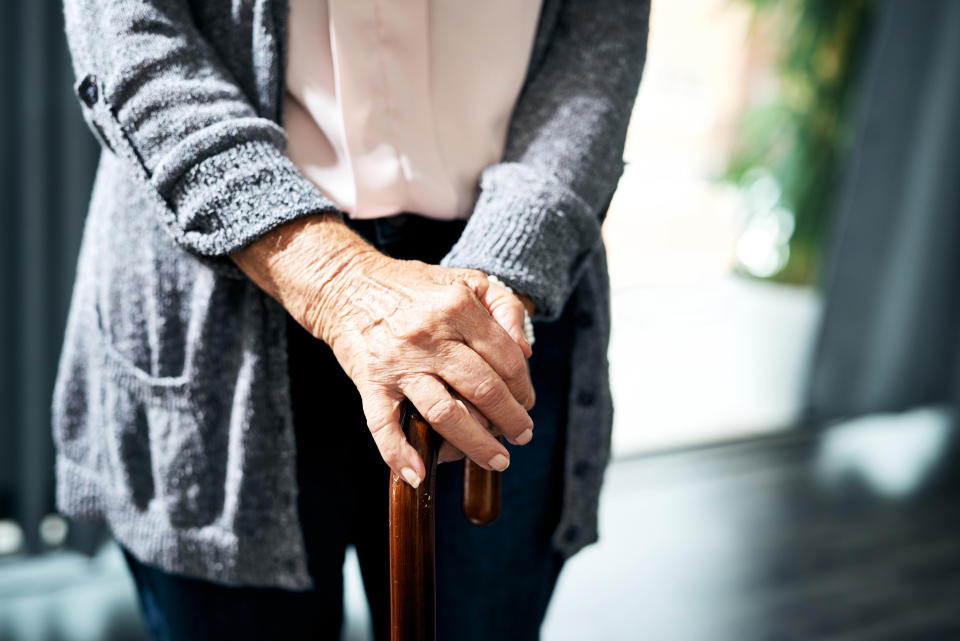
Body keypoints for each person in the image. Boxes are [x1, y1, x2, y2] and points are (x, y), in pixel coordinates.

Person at [53, 0, 649, 639]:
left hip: (504, 305)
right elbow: (133, 34)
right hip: (224, 293)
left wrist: (508, 263)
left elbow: (598, 39)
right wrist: (337, 280)